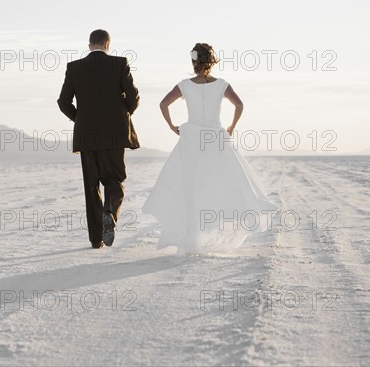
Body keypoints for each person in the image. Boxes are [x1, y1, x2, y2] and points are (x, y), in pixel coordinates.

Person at [142, 43, 279, 255]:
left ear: (193, 61)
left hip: (191, 138)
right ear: (211, 61)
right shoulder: (222, 85)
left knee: (190, 187)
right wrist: (231, 127)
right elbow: (240, 105)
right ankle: (205, 233)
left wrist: (172, 126)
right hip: (215, 138)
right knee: (221, 183)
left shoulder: (185, 85)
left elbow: (163, 104)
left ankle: (193, 236)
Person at [57, 29, 140, 249]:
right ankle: (110, 213)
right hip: (114, 134)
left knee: (91, 187)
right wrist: (124, 114)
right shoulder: (120, 63)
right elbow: (133, 97)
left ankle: (96, 240)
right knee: (115, 181)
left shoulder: (74, 68)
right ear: (107, 44)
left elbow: (63, 102)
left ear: (89, 45)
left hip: (87, 136)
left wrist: (81, 120)